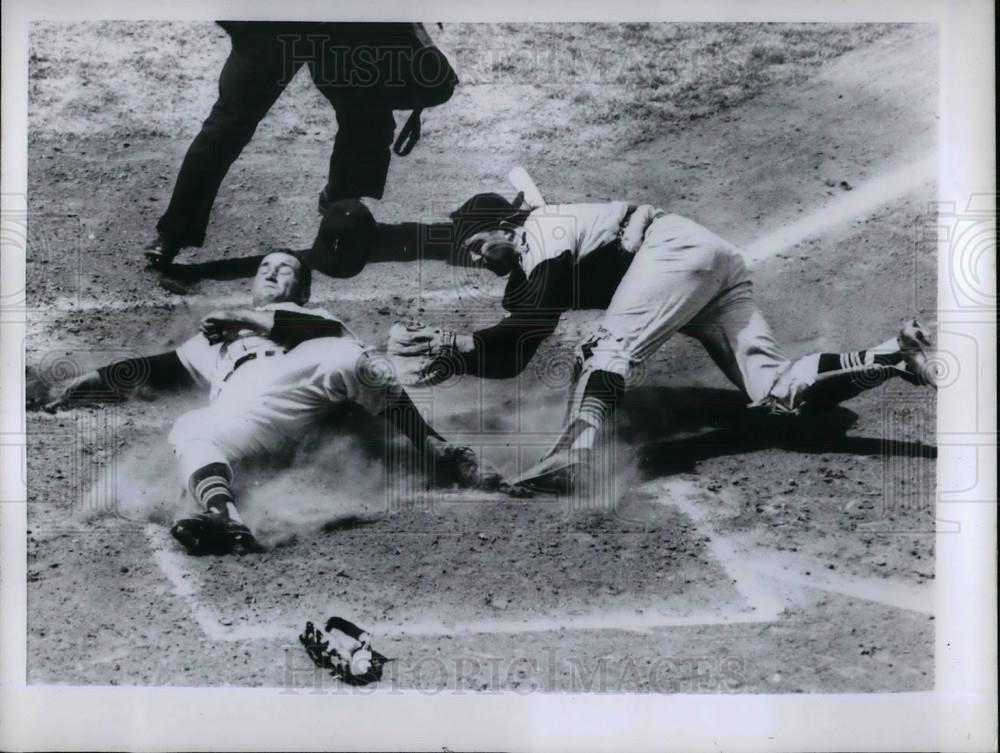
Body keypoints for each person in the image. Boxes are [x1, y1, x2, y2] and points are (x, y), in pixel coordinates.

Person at [388, 193, 938, 494]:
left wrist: (458, 344)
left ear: (508, 226)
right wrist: (463, 350)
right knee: (776, 395)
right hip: (709, 267)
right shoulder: (539, 248)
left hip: (672, 252)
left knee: (606, 351)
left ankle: (569, 456)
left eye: (480, 247)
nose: (478, 261)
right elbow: (517, 349)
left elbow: (525, 333)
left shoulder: (545, 233)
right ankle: (890, 356)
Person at [34, 251, 500, 554]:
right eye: (266, 268)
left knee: (354, 360)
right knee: (193, 427)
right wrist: (86, 382)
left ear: (303, 289)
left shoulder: (312, 318)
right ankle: (223, 514)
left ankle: (439, 451)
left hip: (306, 391)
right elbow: (156, 369)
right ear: (255, 282)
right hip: (248, 410)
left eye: (287, 270)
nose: (275, 272)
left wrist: (247, 320)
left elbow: (322, 341)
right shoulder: (213, 338)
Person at [146, 21, 457, 267]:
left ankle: (342, 209)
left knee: (367, 116)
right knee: (228, 125)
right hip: (273, 26)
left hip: (344, 25)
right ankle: (175, 231)